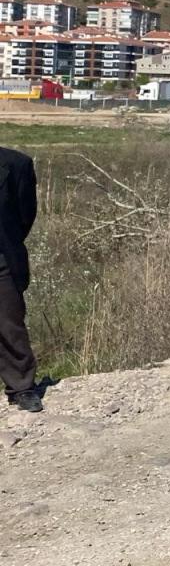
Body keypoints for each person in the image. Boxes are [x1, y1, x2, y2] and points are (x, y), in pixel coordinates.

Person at [0, 146, 40, 412]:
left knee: (9, 323)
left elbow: (25, 216)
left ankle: (22, 388)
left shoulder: (16, 165)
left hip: (1, 258)